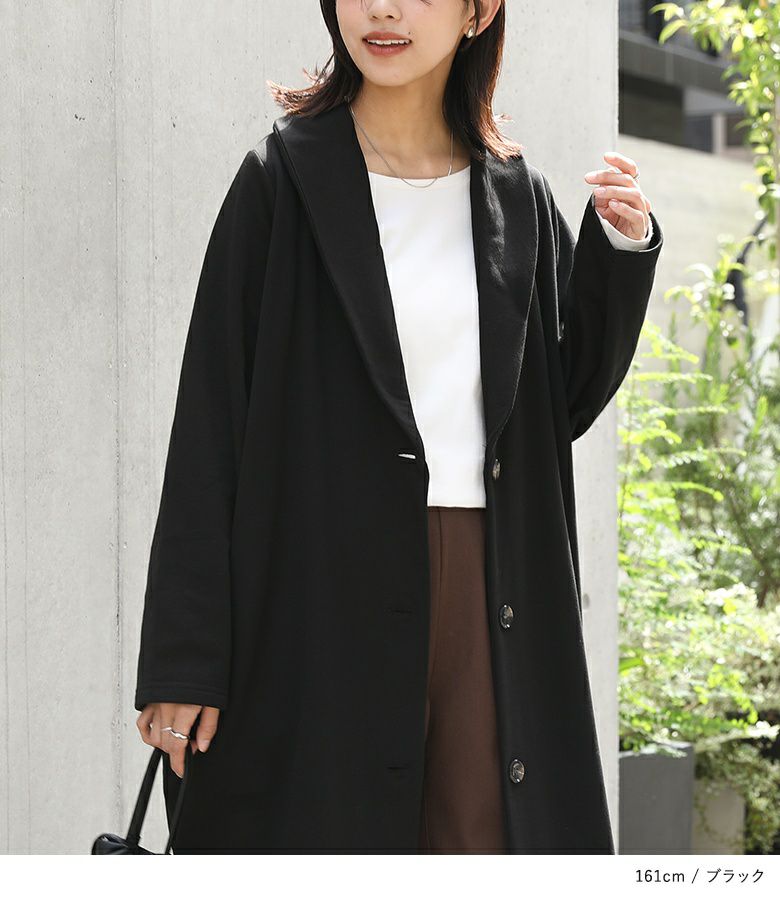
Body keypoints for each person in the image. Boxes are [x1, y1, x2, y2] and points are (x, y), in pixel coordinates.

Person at [134, 0, 663, 853]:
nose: (381, 9)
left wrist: (619, 252)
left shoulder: (514, 195)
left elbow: (557, 403)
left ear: (478, 11)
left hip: (489, 591)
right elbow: (209, 429)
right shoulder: (280, 181)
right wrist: (183, 660)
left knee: (482, 845)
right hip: (315, 592)